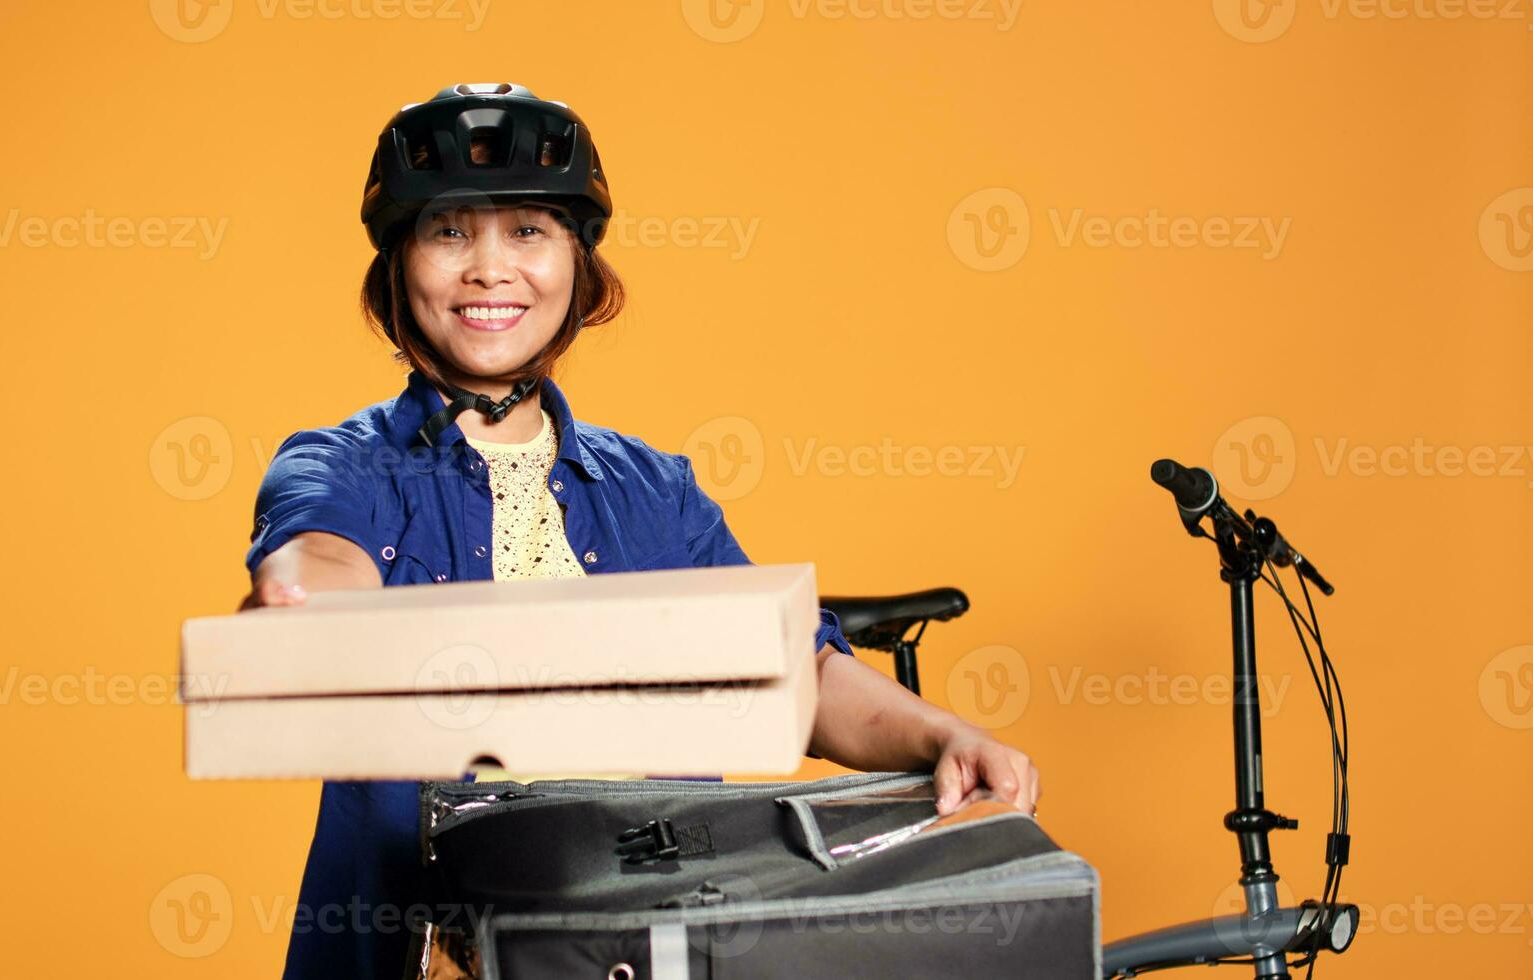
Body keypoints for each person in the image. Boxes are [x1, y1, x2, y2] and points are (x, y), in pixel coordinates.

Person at [239, 82, 1042, 979]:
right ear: (400, 262)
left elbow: (799, 674)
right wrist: (310, 607)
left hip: (647, 944)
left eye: (530, 231)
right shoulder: (342, 463)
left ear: (579, 263)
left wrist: (945, 736)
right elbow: (322, 551)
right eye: (450, 231)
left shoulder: (659, 492)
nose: (490, 269)